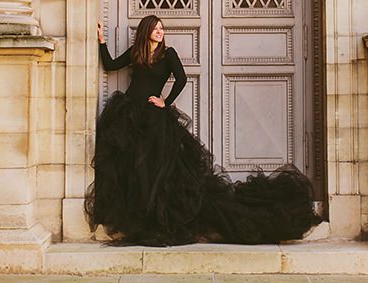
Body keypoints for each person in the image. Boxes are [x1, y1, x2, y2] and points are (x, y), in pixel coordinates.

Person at [86, 15, 322, 246]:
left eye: (162, 28)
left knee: (157, 172)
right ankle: (135, 217)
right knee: (133, 169)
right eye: (156, 28)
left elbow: (181, 79)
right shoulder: (137, 53)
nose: (160, 31)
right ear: (146, 30)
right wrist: (101, 40)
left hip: (153, 120)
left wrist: (164, 102)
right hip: (129, 117)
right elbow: (111, 65)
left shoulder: (168, 54)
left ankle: (158, 220)